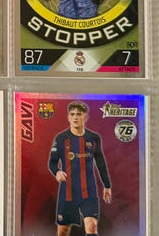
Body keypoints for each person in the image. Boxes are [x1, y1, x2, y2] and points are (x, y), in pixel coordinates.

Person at [48, 101, 112, 236]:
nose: (75, 117)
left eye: (79, 114)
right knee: (63, 230)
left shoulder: (94, 138)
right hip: (67, 192)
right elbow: (52, 162)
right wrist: (57, 172)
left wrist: (107, 185)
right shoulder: (60, 138)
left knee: (92, 226)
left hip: (89, 192)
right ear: (68, 117)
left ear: (85, 117)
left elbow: (100, 162)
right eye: (72, 114)